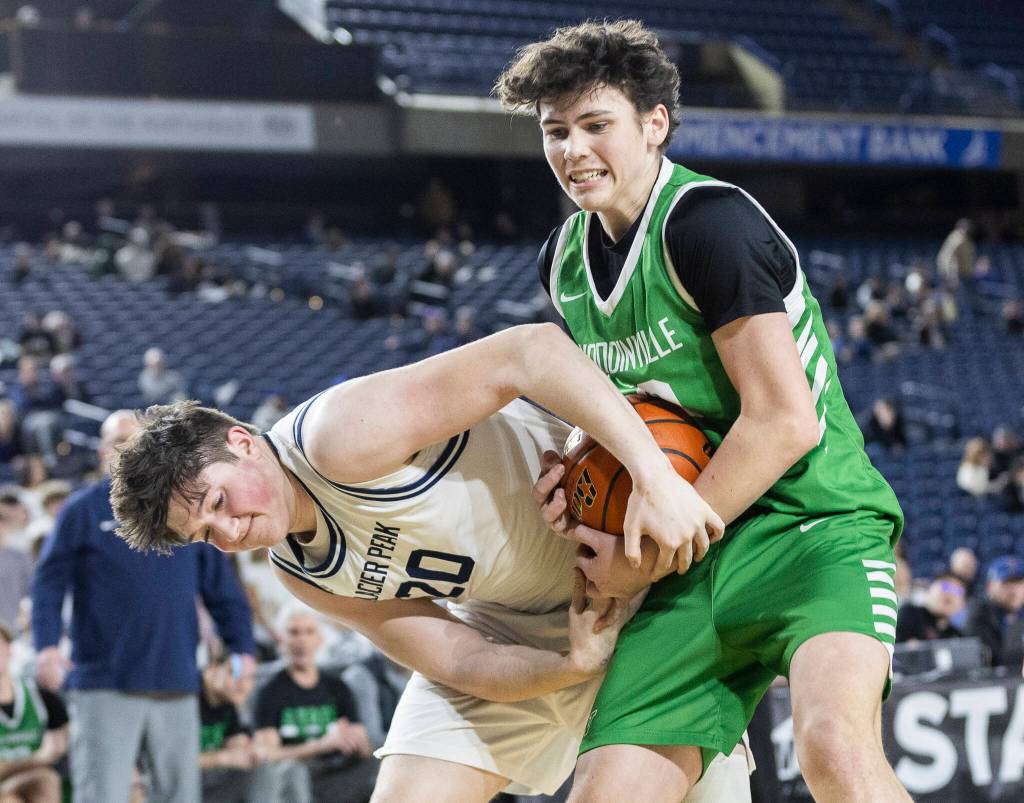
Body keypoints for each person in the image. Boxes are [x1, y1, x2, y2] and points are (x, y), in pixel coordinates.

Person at [496, 19, 907, 802]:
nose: (573, 149)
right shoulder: (562, 262)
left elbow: (786, 421)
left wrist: (648, 553)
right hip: (696, 553)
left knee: (833, 750)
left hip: (809, 523)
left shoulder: (708, 223)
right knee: (606, 790)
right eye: (555, 131)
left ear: (655, 125)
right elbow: (635, 412)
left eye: (595, 124)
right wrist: (578, 469)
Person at [109, 323, 744, 802]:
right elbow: (458, 659)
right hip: (515, 622)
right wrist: (568, 662)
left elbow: (533, 349)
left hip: (639, 567)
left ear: (242, 443)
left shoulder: (340, 436)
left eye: (218, 500)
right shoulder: (296, 570)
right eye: (204, 534)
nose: (228, 531)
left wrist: (651, 475)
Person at [31, 410, 255, 803]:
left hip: (176, 678)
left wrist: (243, 648)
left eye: (136, 442)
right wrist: (47, 646)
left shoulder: (185, 507)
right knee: (102, 795)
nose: (127, 451)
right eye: (117, 442)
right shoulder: (81, 511)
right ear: (102, 452)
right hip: (104, 681)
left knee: (180, 796)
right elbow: (49, 583)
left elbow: (223, 589)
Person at [250, 605, 376, 803]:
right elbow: (268, 755)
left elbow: (363, 744)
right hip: (296, 776)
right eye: (294, 632)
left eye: (309, 632)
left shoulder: (338, 686)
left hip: (336, 773)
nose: (302, 640)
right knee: (293, 771)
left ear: (320, 640)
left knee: (380, 758)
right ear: (281, 640)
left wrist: (358, 742)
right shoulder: (270, 692)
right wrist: (321, 745)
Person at [0, 623, 68, 803]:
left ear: (9, 649)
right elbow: (44, 754)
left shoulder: (38, 695)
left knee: (47, 781)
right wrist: (35, 758)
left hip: (32, 779)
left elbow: (61, 744)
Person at [198, 653, 257, 803]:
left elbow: (237, 743)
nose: (243, 685)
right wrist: (222, 758)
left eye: (249, 678)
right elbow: (170, 762)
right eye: (234, 674)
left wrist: (241, 746)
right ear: (210, 669)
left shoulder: (230, 702)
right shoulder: (187, 700)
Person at [964, 555, 1024, 668]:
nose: (1014, 590)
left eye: (1019, 582)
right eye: (1006, 583)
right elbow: (994, 657)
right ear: (989, 586)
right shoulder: (979, 614)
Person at [894, 573, 966, 643]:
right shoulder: (908, 615)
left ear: (962, 604)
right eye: (945, 587)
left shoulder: (958, 637)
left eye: (957, 591)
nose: (949, 594)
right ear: (931, 588)